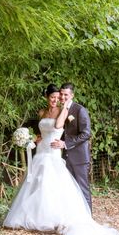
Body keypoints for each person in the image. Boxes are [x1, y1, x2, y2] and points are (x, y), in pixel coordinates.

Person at [3, 84, 119, 235]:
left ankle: (77, 218)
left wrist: (65, 109)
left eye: (58, 97)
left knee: (62, 186)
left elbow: (60, 127)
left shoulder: (66, 111)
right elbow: (42, 130)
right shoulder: (41, 112)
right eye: (53, 97)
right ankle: (35, 217)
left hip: (55, 152)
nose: (56, 99)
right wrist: (33, 138)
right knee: (37, 183)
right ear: (47, 98)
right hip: (41, 150)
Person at [50, 82, 92, 211]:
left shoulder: (79, 110)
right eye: (61, 94)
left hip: (79, 157)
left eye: (66, 95)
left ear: (72, 95)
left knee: (82, 188)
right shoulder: (60, 110)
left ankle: (88, 219)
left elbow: (86, 134)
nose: (62, 97)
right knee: (70, 190)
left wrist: (66, 144)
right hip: (64, 158)